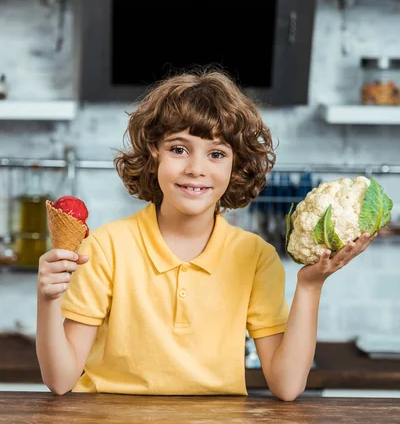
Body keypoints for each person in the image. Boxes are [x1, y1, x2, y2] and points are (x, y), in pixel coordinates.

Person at [36, 67, 376, 399]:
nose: (196, 168)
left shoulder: (256, 258)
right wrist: (48, 300)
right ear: (154, 152)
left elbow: (287, 387)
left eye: (216, 154)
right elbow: (61, 380)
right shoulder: (106, 248)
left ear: (237, 165)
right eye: (178, 149)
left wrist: (310, 285)